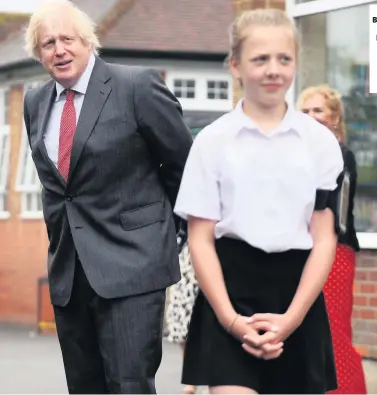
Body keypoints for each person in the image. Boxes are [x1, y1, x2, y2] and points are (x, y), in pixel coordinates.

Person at [22, 1, 193, 393]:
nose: (59, 50)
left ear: (88, 42)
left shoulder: (137, 86)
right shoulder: (35, 102)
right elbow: (60, 189)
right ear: (38, 53)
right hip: (69, 274)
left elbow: (185, 168)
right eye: (48, 43)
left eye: (67, 39)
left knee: (128, 386)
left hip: (132, 268)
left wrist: (169, 237)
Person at [173, 9, 344, 395]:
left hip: (297, 294)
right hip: (229, 290)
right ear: (235, 65)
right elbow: (200, 239)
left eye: (284, 59)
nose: (273, 70)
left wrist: (294, 318)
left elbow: (324, 237)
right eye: (260, 59)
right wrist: (231, 320)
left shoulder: (320, 144)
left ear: (295, 64)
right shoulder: (212, 142)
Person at [297, 84, 367, 394]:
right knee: (304, 336)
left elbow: (334, 218)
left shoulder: (341, 155)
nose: (311, 117)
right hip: (300, 252)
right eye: (305, 111)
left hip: (334, 253)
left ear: (335, 118)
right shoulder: (294, 154)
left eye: (319, 111)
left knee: (334, 334)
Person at [165, 224, 199, 395]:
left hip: (215, 253)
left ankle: (211, 379)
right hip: (185, 254)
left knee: (211, 325)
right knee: (181, 324)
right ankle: (190, 378)